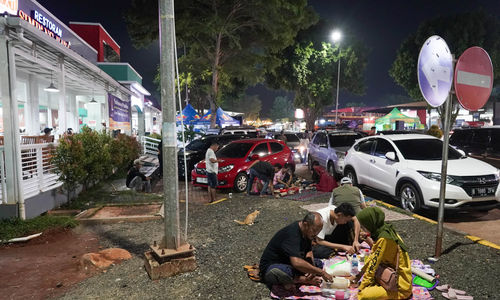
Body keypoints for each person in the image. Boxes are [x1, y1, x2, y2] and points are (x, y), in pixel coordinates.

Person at [259, 212, 333, 291]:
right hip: (273, 265)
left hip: (289, 261)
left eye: (319, 231)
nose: (316, 234)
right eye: (314, 230)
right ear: (305, 224)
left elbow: (309, 251)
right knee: (280, 271)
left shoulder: (307, 232)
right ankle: (302, 279)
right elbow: (296, 263)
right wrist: (321, 272)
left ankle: (297, 278)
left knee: (317, 263)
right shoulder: (292, 234)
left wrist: (313, 268)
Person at [356, 207, 412, 300]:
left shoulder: (384, 239)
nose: (362, 229)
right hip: (389, 278)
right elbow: (373, 255)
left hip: (399, 288)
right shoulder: (385, 229)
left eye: (363, 226)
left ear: (371, 223)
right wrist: (358, 276)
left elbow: (373, 265)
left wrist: (362, 288)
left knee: (363, 295)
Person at [329, 177, 372, 250]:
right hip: (354, 219)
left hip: (342, 219)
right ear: (351, 184)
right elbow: (363, 206)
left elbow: (330, 206)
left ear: (341, 185)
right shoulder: (357, 190)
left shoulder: (335, 191)